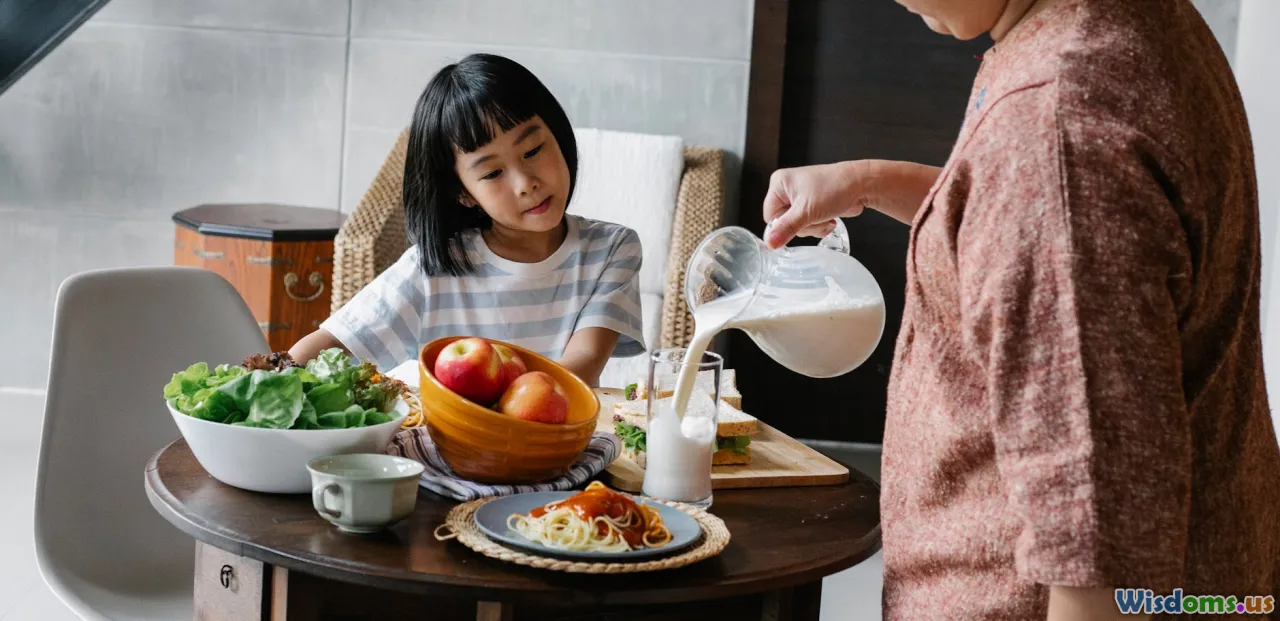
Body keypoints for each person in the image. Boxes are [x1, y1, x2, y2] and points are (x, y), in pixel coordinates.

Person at [763, 0, 1280, 619]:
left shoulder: (1052, 125)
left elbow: (1097, 548)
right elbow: (1034, 226)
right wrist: (872, 180)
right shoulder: (1118, 22)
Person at [289, 54, 645, 387]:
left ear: (558, 134)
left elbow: (582, 364)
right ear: (463, 192)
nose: (526, 184)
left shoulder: (610, 250)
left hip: (558, 450)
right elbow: (321, 350)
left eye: (533, 150)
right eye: (492, 173)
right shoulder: (432, 269)